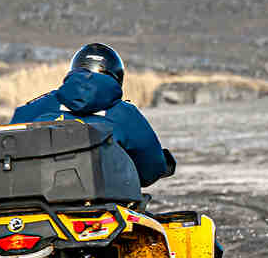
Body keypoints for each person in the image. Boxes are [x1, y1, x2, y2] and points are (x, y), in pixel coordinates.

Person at [12, 43, 173, 188]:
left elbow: (8, 143)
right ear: (117, 76)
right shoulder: (125, 113)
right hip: (103, 205)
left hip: (34, 198)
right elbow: (152, 170)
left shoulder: (40, 105)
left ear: (74, 69)